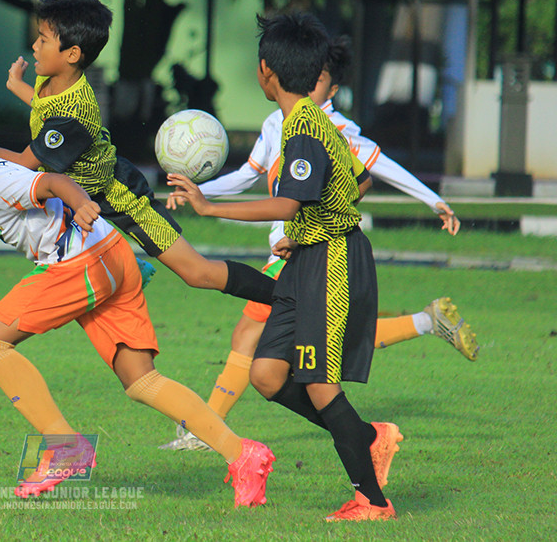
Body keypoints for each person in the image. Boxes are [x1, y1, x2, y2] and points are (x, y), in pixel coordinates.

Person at [0, 95, 276, 507]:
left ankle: (66, 448)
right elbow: (15, 207)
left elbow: (52, 183)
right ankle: (244, 454)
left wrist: (82, 205)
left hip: (80, 262)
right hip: (112, 253)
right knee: (142, 381)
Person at [161, 36, 479, 452]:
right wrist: (198, 191)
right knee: (312, 344)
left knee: (252, 338)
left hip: (310, 252)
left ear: (330, 85)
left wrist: (434, 200)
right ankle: (425, 323)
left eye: (321, 77)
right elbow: (247, 176)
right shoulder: (277, 123)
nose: (311, 81)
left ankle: (207, 430)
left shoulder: (335, 130)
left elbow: (377, 172)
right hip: (290, 247)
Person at [167, 12, 400, 521]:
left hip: (333, 260)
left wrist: (208, 206)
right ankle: (366, 437)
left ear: (265, 71)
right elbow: (359, 179)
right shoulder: (311, 122)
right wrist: (310, 228)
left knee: (318, 379)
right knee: (269, 374)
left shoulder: (303, 130)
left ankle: (373, 502)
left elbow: (286, 204)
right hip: (311, 251)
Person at [0, 0, 277, 307]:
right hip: (75, 196)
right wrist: (18, 87)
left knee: (196, 273)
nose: (34, 46)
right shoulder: (52, 78)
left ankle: (285, 298)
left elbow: (24, 162)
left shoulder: (73, 113)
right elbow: (44, 110)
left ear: (72, 54)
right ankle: (128, 269)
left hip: (117, 197)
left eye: (42, 39)